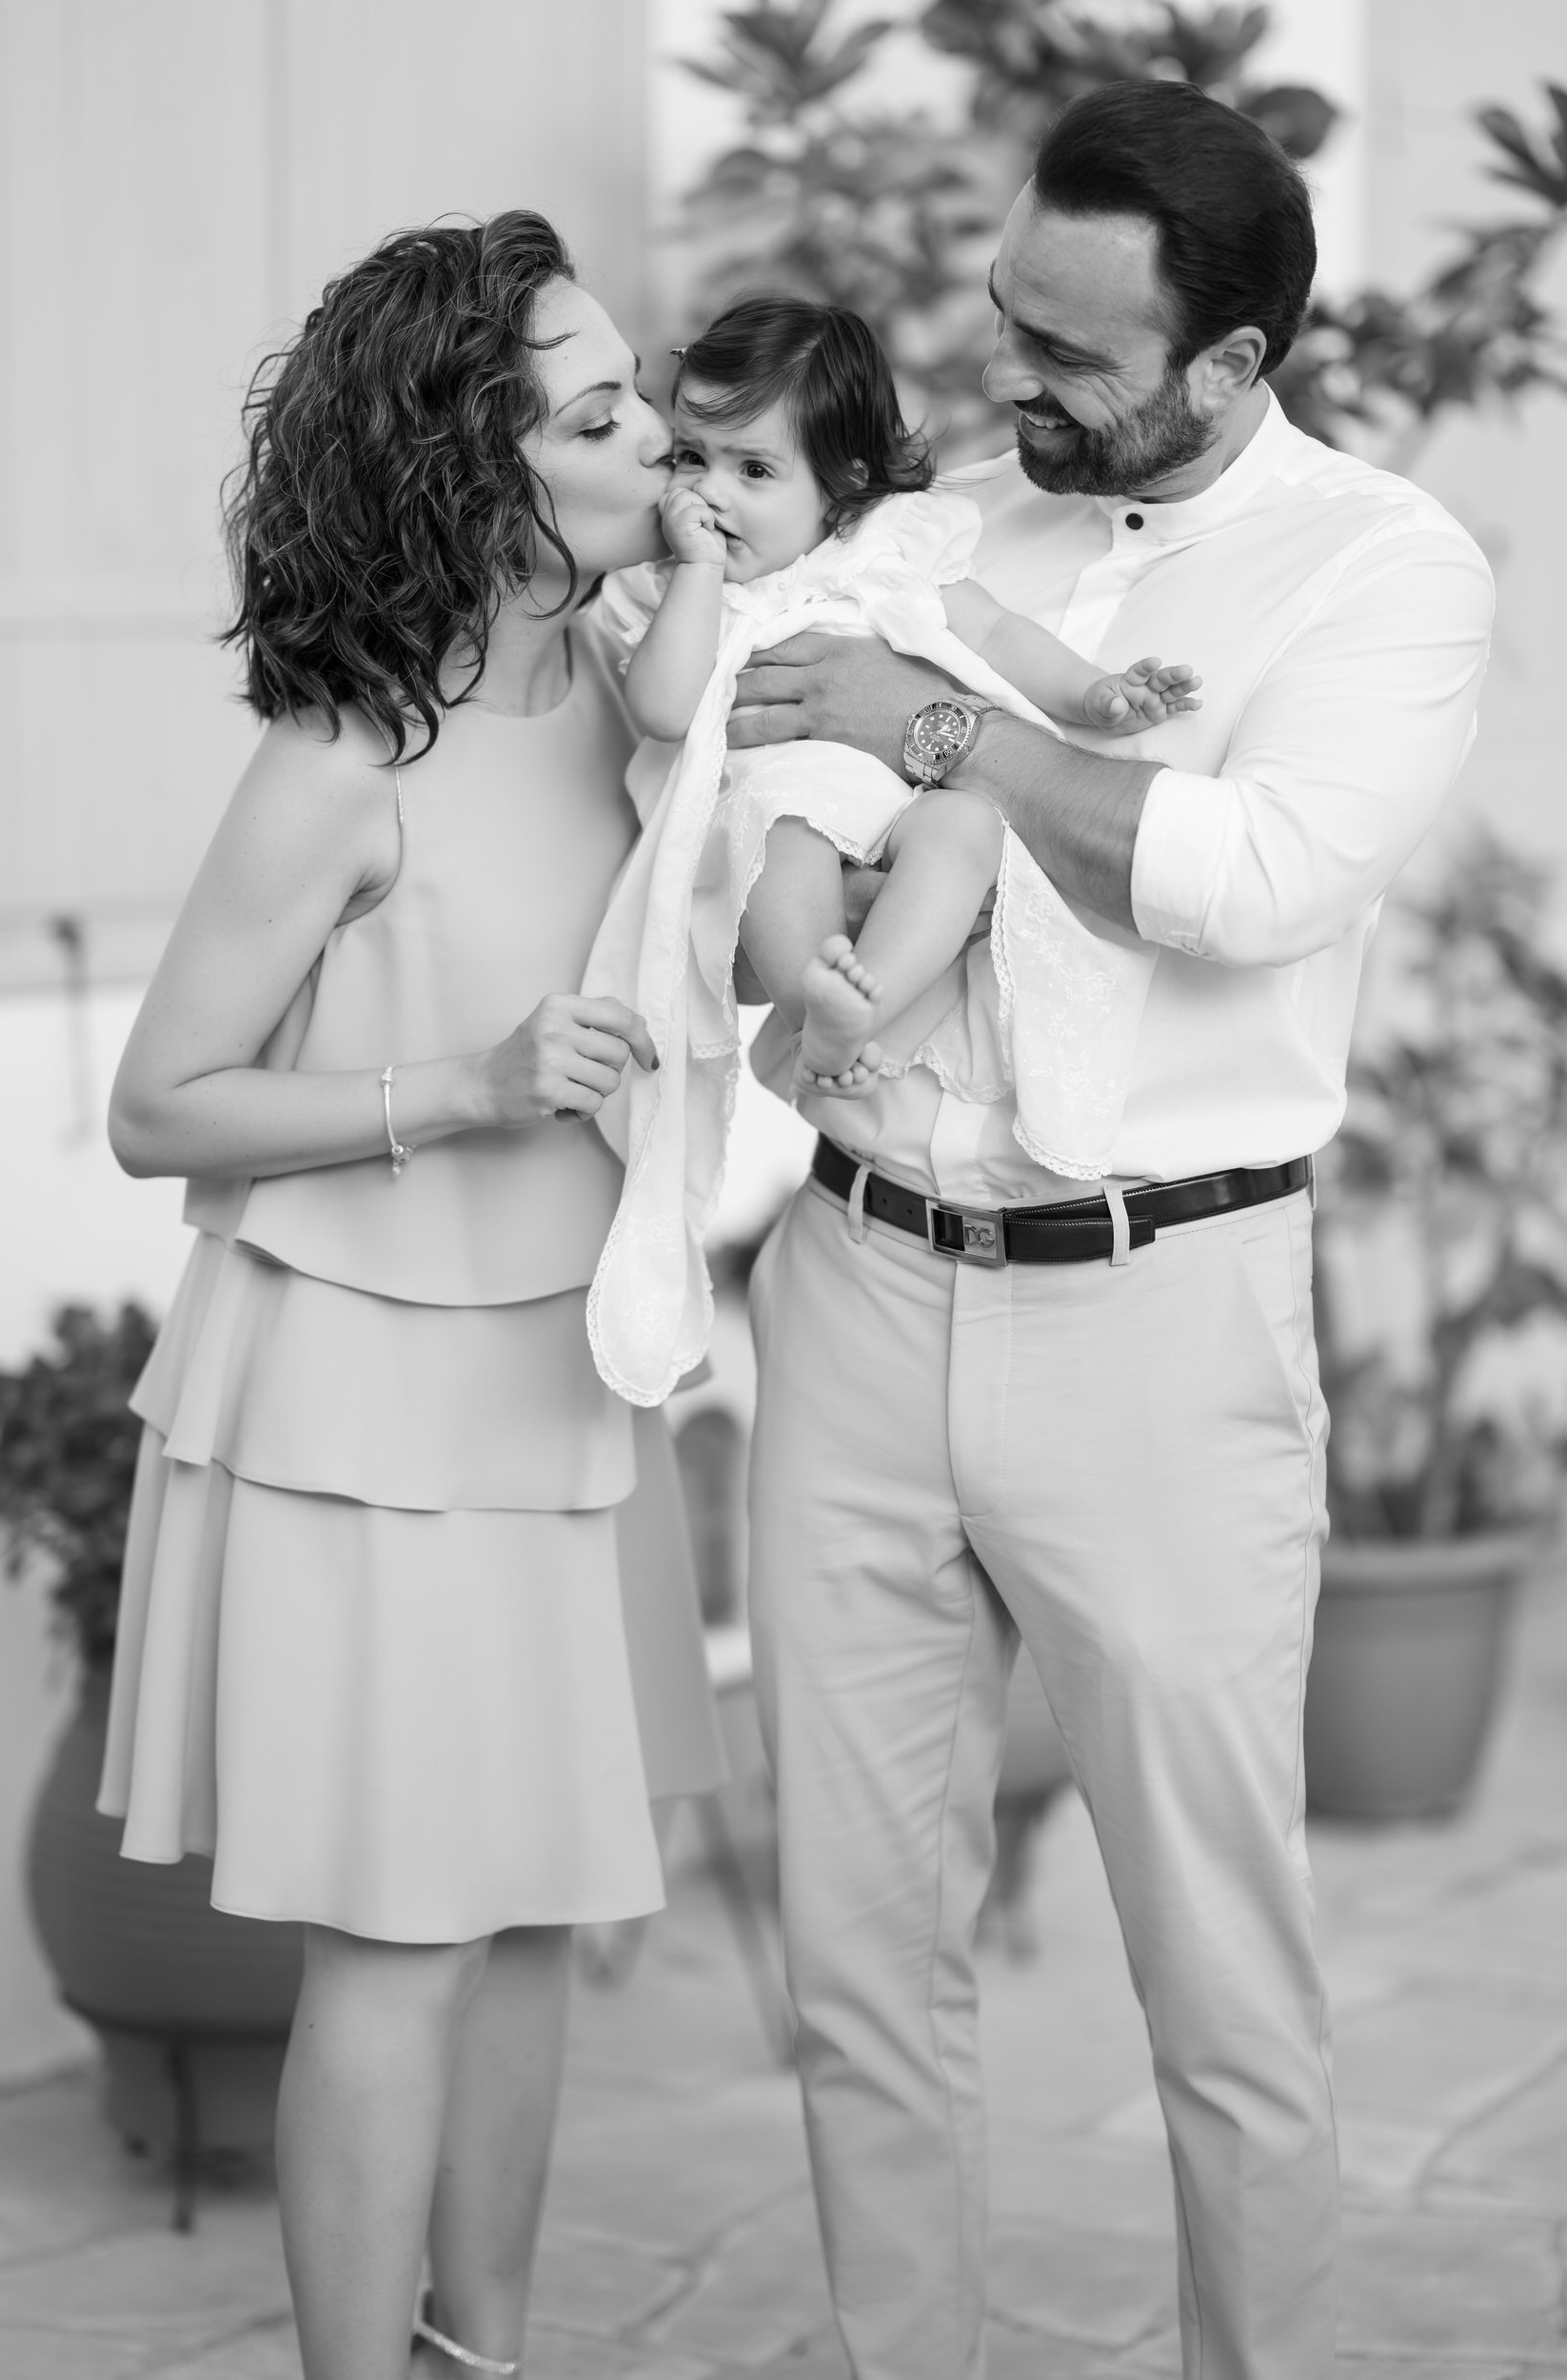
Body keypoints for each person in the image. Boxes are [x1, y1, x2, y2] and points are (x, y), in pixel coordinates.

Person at [733, 81, 1495, 2380]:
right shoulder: (948, 531)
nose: (1009, 386)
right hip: (857, 1278)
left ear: (1229, 365)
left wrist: (937, 739)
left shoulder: (1385, 568)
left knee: (1220, 1968)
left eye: (1070, 354)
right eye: (1003, 324)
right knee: (859, 1962)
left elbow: (1252, 882)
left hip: (1159, 1314)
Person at [99, 212, 723, 2380]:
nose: (652, 433)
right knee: (401, 1944)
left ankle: (491, 2351)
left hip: (560, 1391)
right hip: (358, 1413)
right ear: (477, 473)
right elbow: (158, 1108)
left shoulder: (643, 705)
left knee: (539, 1910)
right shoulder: (341, 755)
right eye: (596, 412)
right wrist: (452, 1089)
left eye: (634, 390)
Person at [581, 296, 1197, 1406]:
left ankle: (869, 1001)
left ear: (845, 482)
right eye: (691, 455)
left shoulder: (894, 549)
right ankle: (825, 991)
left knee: (967, 827)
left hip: (907, 789)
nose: (707, 492)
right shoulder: (680, 589)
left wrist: (1095, 695)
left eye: (752, 471)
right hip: (782, 795)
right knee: (792, 846)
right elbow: (667, 709)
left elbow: (997, 638)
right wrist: (702, 580)